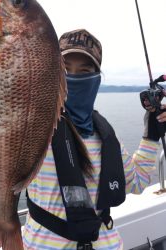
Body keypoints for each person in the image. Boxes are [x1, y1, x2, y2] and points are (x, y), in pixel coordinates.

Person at [22, 29, 165, 250]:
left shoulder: (104, 132)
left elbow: (136, 182)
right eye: (64, 68)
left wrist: (151, 135)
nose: (73, 77)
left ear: (96, 78)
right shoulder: (32, 124)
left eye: (85, 70)